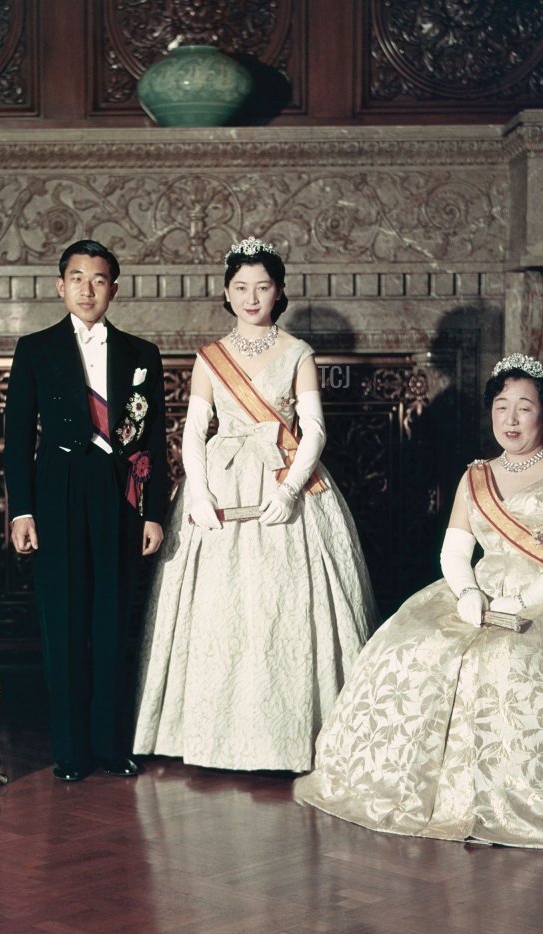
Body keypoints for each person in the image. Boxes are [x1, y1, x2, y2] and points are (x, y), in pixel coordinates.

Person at [294, 353, 543, 848]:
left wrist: (522, 602)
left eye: (524, 408)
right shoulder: (476, 475)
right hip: (478, 589)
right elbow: (455, 550)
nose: (510, 419)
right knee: (409, 647)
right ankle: (408, 789)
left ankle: (500, 799)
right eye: (501, 406)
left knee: (507, 659)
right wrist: (466, 591)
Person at [132, 236, 377, 773]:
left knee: (282, 610)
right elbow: (194, 431)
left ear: (279, 291)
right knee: (219, 612)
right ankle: (209, 738)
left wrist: (291, 488)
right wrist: (197, 492)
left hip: (282, 475)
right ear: (226, 292)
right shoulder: (209, 357)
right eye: (240, 287)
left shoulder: (297, 353)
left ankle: (288, 738)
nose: (251, 297)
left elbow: (312, 430)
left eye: (261, 287)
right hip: (221, 482)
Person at [5, 238, 168, 782]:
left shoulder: (141, 354)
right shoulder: (35, 348)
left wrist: (153, 512)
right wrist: (21, 511)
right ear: (60, 286)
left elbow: (156, 440)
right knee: (65, 622)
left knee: (111, 619)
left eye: (99, 280)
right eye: (77, 278)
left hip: (120, 495)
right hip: (57, 493)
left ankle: (110, 744)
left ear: (114, 289)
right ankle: (71, 750)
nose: (87, 289)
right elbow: (16, 439)